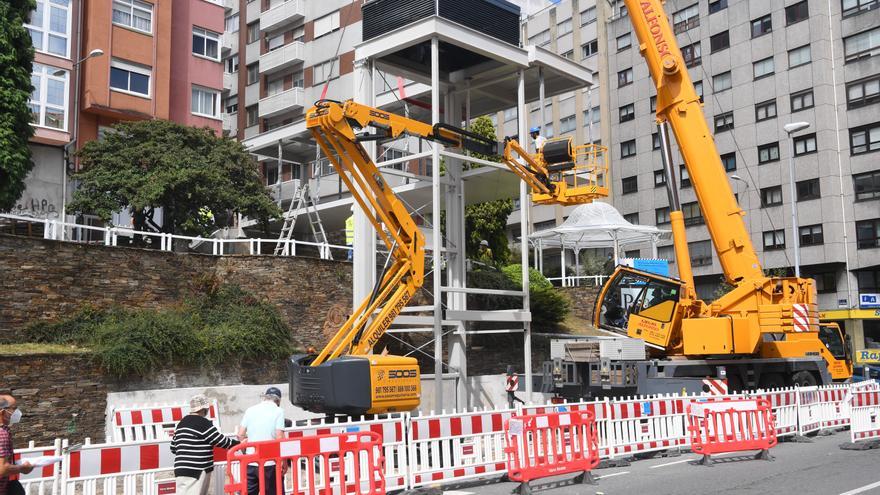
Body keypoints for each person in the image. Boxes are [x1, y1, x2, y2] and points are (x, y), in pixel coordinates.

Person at [171, 395, 239, 495]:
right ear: (204, 409)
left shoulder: (181, 423)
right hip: (197, 469)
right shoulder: (203, 423)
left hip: (180, 469)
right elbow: (220, 440)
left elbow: (173, 448)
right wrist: (238, 444)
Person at [238, 387, 286, 495]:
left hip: (250, 461)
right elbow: (279, 437)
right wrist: (284, 461)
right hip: (270, 462)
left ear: (265, 397)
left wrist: (246, 452)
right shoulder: (279, 411)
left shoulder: (250, 409)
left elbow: (240, 434)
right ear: (278, 400)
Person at [0, 395, 32, 495]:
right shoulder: (2, 434)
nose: (17, 412)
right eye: (14, 408)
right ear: (2, 412)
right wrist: (23, 468)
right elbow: (2, 468)